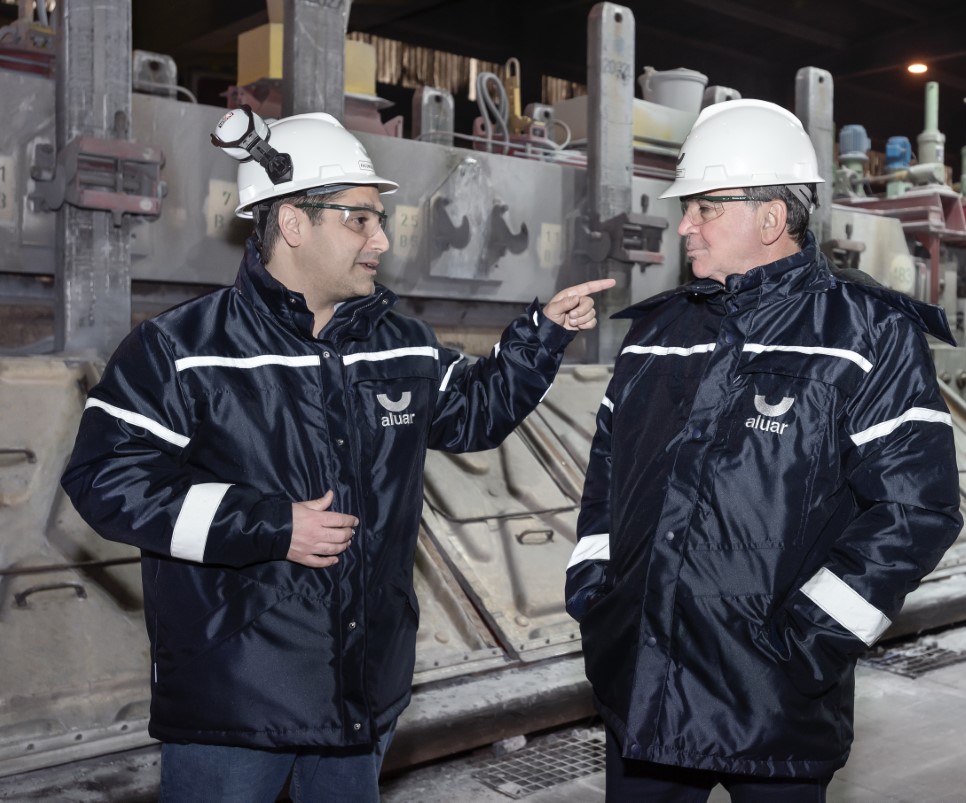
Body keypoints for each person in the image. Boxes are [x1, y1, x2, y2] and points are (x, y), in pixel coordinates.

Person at [60, 108, 613, 803]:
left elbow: (474, 412)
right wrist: (270, 524)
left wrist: (542, 337)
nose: (381, 238)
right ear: (293, 222)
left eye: (378, 219)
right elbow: (104, 477)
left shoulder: (397, 341)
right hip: (236, 706)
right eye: (360, 219)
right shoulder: (183, 350)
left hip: (361, 692)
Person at [565, 99, 963, 802]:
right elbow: (606, 475)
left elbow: (916, 508)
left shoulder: (866, 335)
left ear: (772, 217)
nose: (684, 223)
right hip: (644, 694)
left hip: (775, 709)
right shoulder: (657, 334)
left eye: (706, 206)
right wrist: (597, 596)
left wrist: (805, 646)